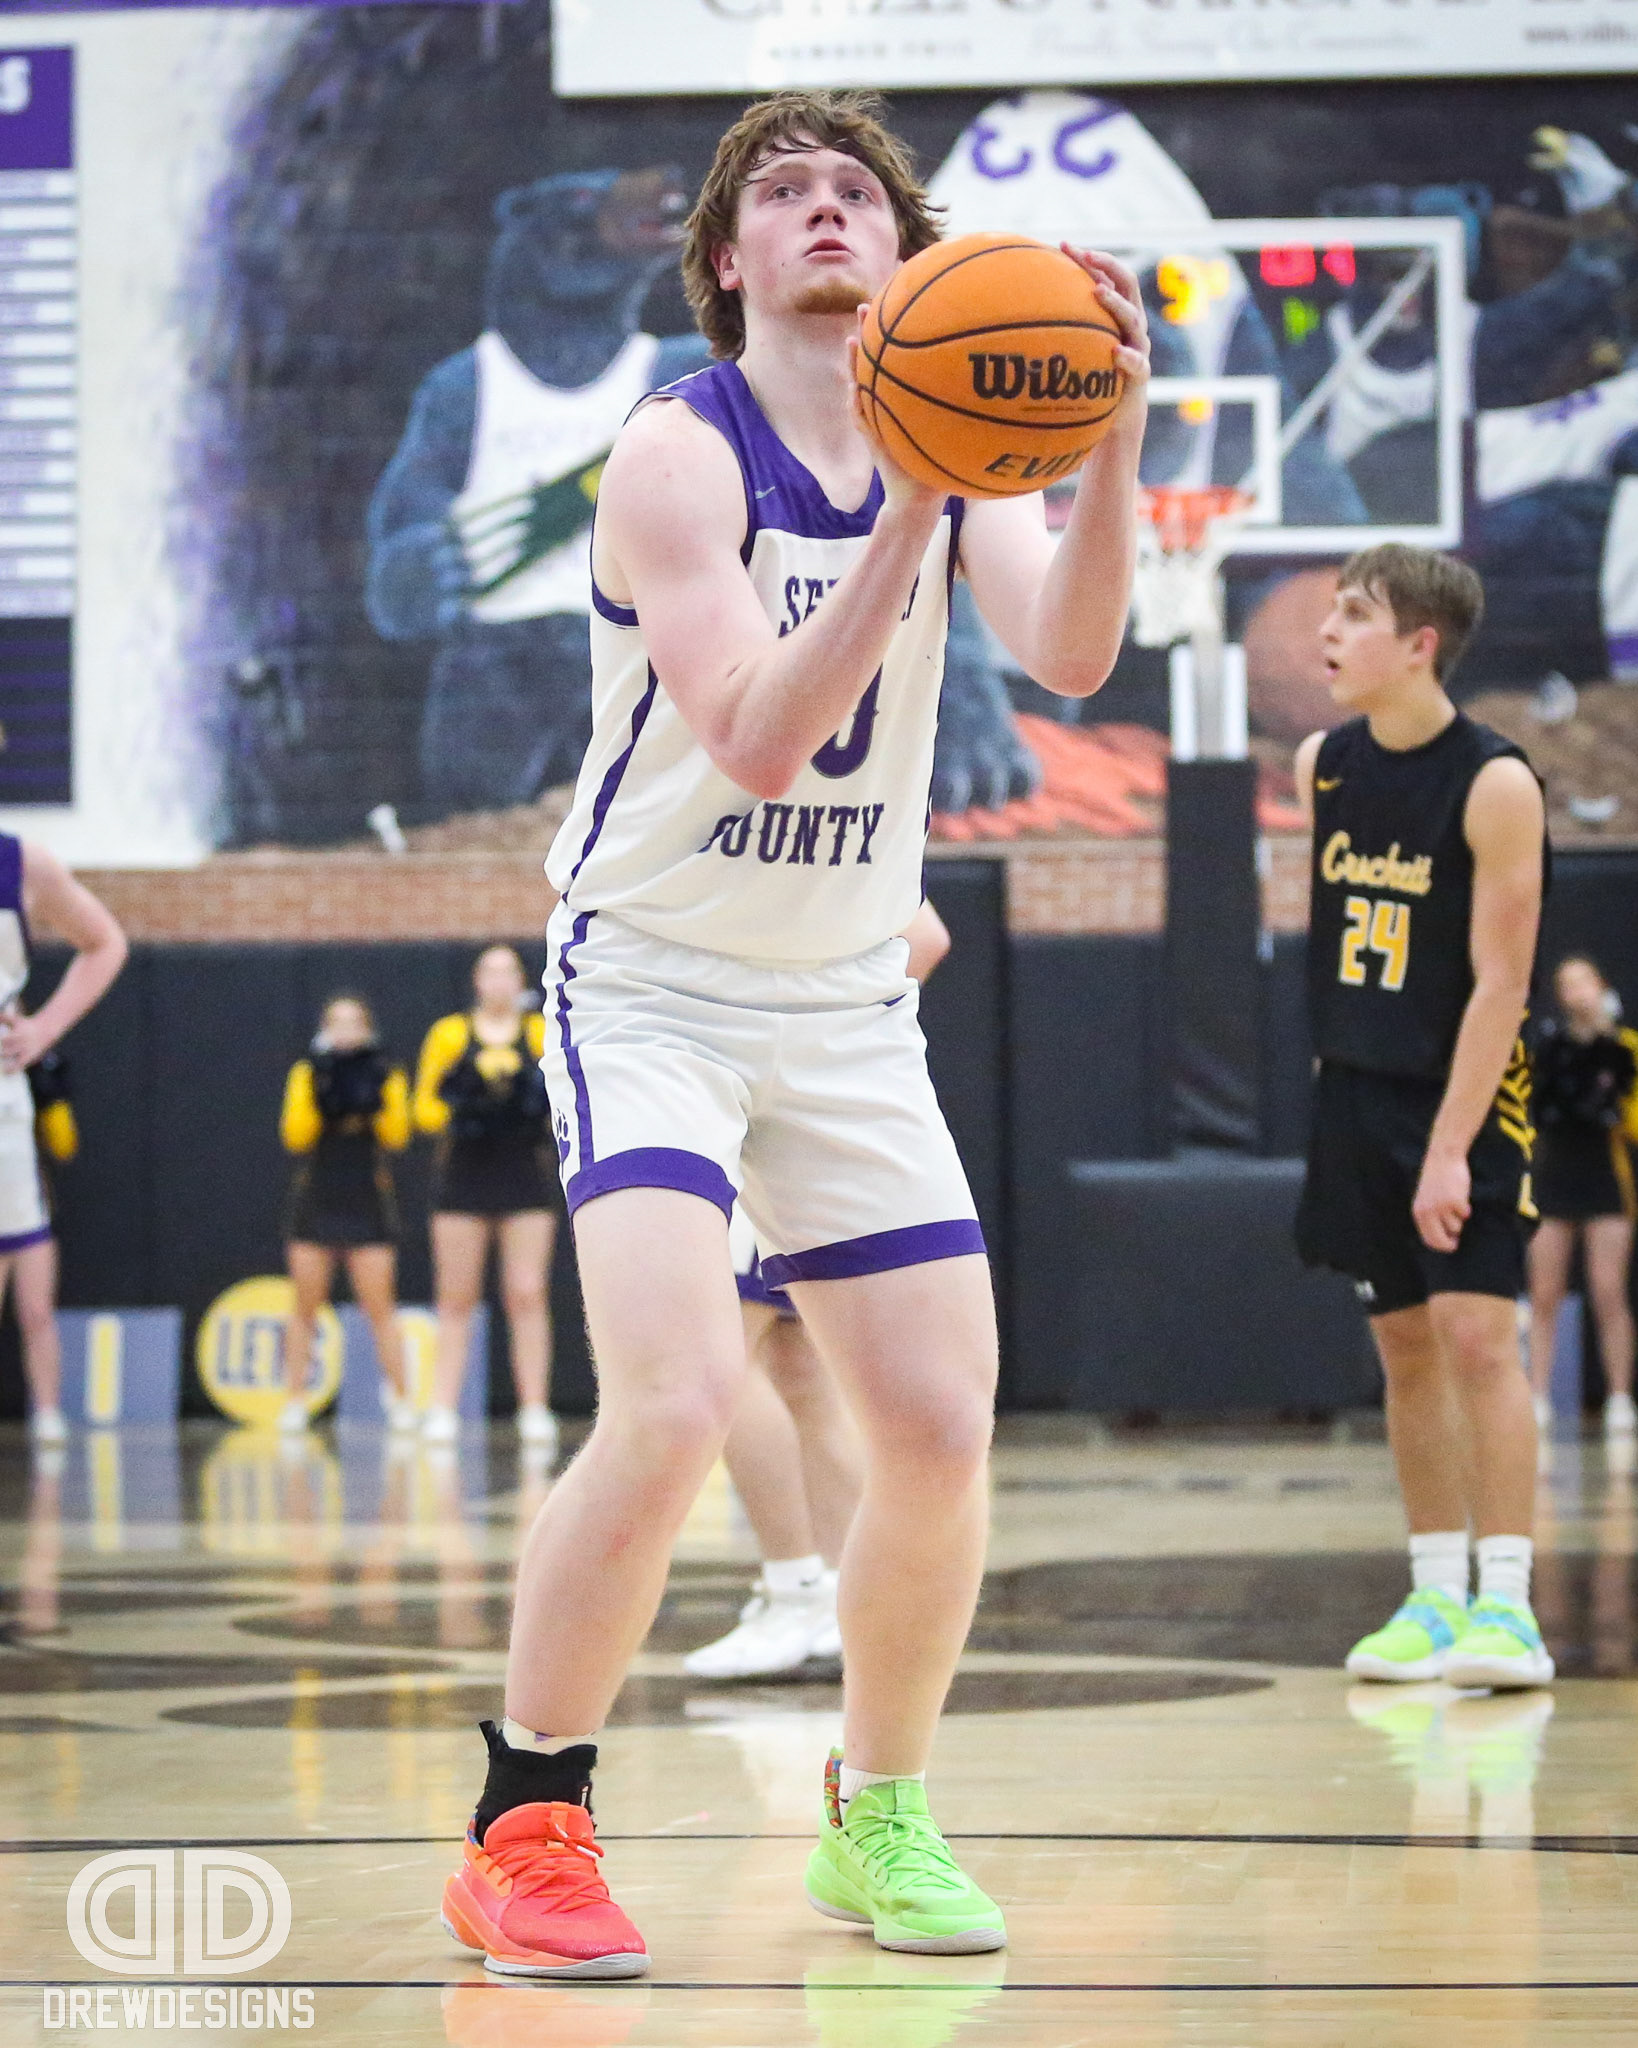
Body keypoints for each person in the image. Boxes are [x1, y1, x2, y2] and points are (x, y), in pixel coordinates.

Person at [438, 87, 1147, 1979]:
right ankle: (525, 1825)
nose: (824, 208)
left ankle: (878, 1811)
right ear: (725, 259)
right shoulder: (677, 450)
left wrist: (1106, 434)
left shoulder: (968, 456)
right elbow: (755, 733)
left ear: (909, 257)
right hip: (652, 979)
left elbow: (1074, 655)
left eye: (858, 191)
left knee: (935, 1419)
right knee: (674, 1398)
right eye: (783, 190)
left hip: (841, 994)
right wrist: (916, 499)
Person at [1293, 543, 1553, 1691]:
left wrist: (1450, 1147)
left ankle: (1509, 1604)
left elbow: (1503, 981)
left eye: (1355, 614)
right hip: (1355, 1087)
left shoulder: (1495, 782)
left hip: (1465, 1090)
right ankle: (1435, 1594)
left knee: (1478, 1338)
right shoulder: (1325, 764)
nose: (1328, 633)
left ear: (1419, 644)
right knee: (1401, 1342)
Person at [687, 898, 950, 1681]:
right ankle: (841, 1597)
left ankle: (794, 1586)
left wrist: (806, 1040)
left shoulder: (805, 846)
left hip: (762, 1122)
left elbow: (927, 936)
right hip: (804, 1124)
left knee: (720, 1365)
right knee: (803, 1373)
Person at [0, 839, 127, 1446]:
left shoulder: (21, 863)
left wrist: (44, 1027)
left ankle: (48, 1412)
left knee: (30, 1298)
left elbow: (105, 943)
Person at [412, 945, 561, 1450]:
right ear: (477, 981)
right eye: (489, 972)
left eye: (508, 972)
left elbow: (562, 1097)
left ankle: (534, 1407)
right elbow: (423, 1109)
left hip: (523, 1175)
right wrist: (470, 1107)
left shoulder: (539, 1032)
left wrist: (522, 1105)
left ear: (521, 981)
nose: (499, 982)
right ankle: (442, 1407)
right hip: (464, 1173)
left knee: (527, 1293)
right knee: (456, 1297)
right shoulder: (449, 1034)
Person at [278, 994, 412, 1435]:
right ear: (324, 1029)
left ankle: (401, 1399)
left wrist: (372, 1097)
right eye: (337, 1022)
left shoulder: (386, 1071)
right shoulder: (307, 1071)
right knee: (305, 1305)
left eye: (354, 1022)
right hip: (318, 1196)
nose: (345, 1031)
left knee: (380, 1306)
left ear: (368, 1029)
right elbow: (295, 1136)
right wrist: (324, 1093)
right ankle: (294, 1399)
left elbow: (398, 1135)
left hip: (366, 1198)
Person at [1526, 954, 1638, 1439]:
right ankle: (1536, 1395)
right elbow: (1534, 1108)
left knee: (1608, 1290)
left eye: (1584, 982)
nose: (1578, 993)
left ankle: (1619, 1397)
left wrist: (1611, 1088)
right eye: (1567, 985)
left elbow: (1632, 1119)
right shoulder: (1548, 1047)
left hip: (1604, 1175)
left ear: (1602, 985)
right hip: (1555, 1175)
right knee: (1544, 1293)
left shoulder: (1624, 1048)